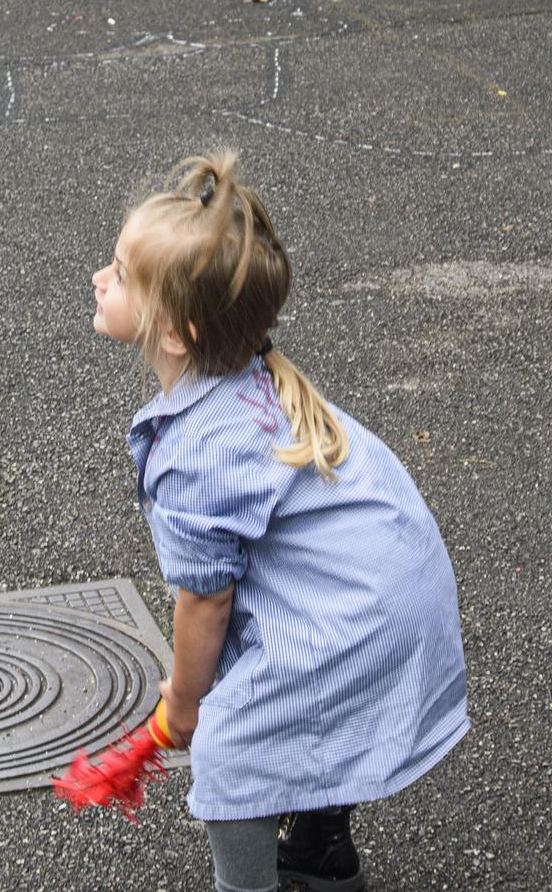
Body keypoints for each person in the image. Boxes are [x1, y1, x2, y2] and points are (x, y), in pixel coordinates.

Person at [91, 151, 468, 892]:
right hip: (390, 591)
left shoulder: (200, 451)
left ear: (176, 334)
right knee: (284, 697)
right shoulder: (251, 382)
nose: (101, 279)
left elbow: (206, 599)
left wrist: (185, 701)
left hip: (357, 617)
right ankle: (320, 846)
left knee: (235, 740)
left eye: (121, 273)